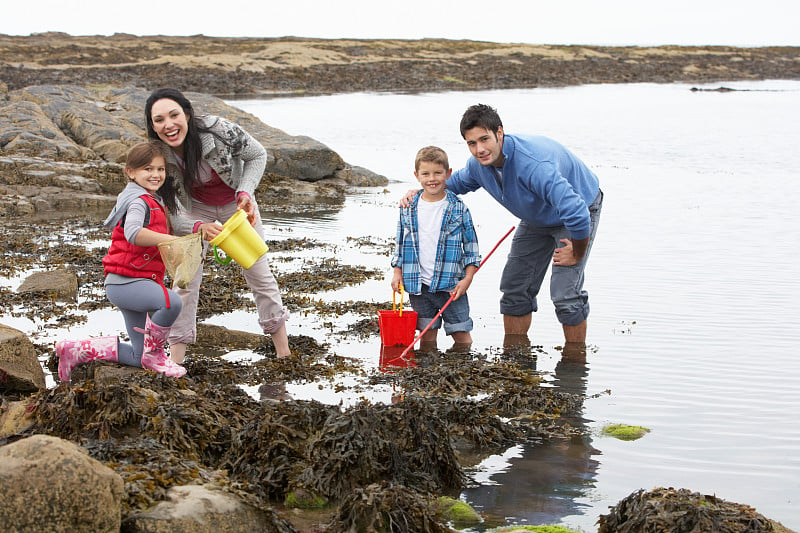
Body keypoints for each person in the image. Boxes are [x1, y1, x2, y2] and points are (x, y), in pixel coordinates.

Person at [404, 104, 602, 347]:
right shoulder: (478, 166)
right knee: (514, 287)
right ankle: (515, 361)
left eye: (484, 139)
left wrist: (577, 252)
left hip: (578, 210)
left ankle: (575, 366)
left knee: (565, 294)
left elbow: (577, 213)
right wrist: (419, 192)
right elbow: (453, 184)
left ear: (500, 132)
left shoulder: (534, 165)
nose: (480, 149)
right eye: (471, 143)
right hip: (537, 218)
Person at [144, 88, 291, 361]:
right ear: (153, 126)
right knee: (184, 282)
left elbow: (257, 155)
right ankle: (176, 360)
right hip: (194, 211)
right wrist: (198, 226)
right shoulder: (157, 157)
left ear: (187, 114)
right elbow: (172, 211)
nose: (169, 125)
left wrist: (245, 192)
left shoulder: (218, 130)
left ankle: (284, 353)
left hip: (237, 207)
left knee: (259, 273)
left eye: (174, 115)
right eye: (159, 120)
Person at [56, 141, 187, 381]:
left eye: (160, 169)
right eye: (148, 169)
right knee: (172, 303)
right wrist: (170, 240)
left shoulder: (151, 198)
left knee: (139, 357)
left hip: (133, 283)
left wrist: (200, 228)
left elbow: (177, 225)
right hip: (127, 283)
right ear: (131, 172)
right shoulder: (138, 201)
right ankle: (157, 353)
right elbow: (133, 233)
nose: (156, 174)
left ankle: (75, 351)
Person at [391, 146, 481, 351]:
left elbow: (471, 248)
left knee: (461, 333)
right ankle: (428, 371)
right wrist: (397, 272)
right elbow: (400, 244)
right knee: (426, 333)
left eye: (438, 173)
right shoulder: (408, 206)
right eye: (426, 173)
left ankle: (463, 369)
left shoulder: (458, 208)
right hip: (417, 284)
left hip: (451, 286)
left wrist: (467, 279)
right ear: (417, 176)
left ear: (448, 173)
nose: (432, 178)